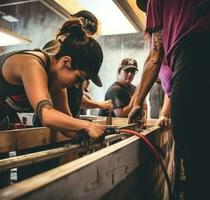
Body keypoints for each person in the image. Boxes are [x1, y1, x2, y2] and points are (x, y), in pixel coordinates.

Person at [0, 18, 105, 140]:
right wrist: (87, 125)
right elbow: (47, 116)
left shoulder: (57, 84)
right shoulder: (32, 64)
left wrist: (86, 134)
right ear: (66, 62)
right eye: (79, 78)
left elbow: (67, 124)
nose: (77, 86)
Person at [129, 0, 210, 199]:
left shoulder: (155, 4)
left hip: (197, 53)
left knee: (196, 161)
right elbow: (172, 90)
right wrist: (165, 113)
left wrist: (137, 103)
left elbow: (155, 56)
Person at [41, 10, 112, 119]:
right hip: (52, 119)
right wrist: (98, 105)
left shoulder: (81, 59)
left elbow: (75, 96)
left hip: (68, 118)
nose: (86, 39)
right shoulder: (54, 51)